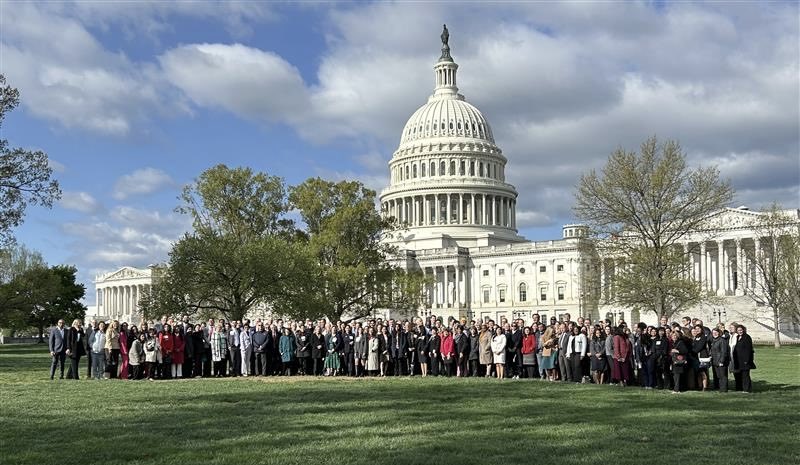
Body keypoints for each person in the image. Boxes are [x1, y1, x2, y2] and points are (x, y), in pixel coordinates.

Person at [732, 325, 755, 393]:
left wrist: (746, 360)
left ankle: (746, 389)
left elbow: (748, 350)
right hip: (738, 360)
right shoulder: (738, 337)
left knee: (745, 375)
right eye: (738, 330)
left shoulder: (747, 337)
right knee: (740, 375)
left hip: (745, 360)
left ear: (744, 330)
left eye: (741, 330)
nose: (740, 331)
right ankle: (742, 388)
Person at [709, 327, 729, 393]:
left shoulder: (722, 340)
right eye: (713, 333)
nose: (714, 334)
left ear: (719, 333)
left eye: (716, 332)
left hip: (720, 361)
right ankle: (721, 388)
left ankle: (724, 389)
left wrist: (721, 361)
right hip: (715, 360)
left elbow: (724, 352)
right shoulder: (714, 340)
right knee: (719, 376)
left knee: (723, 375)